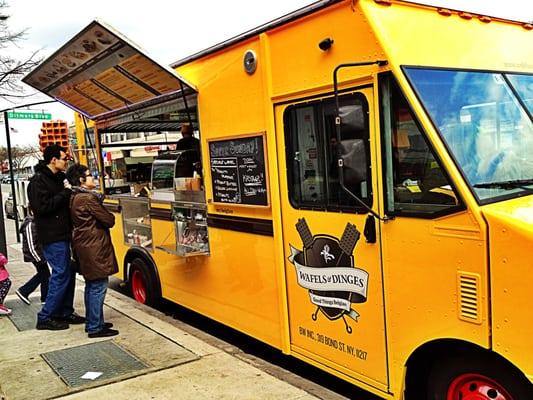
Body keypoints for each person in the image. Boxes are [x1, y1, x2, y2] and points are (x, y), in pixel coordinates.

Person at [28, 144, 85, 330]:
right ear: (53, 160)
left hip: (65, 233)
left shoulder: (60, 178)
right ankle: (45, 316)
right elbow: (42, 208)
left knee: (68, 273)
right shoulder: (38, 181)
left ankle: (65, 312)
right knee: (60, 274)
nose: (66, 161)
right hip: (52, 236)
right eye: (64, 158)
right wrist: (64, 194)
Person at [66, 164, 119, 338]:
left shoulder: (75, 196)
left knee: (92, 285)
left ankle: (94, 322)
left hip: (85, 245)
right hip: (94, 246)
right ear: (81, 180)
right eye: (90, 176)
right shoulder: (87, 199)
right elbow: (109, 219)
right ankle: (95, 327)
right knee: (98, 286)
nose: (93, 178)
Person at [15, 214, 50, 305]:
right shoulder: (30, 224)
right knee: (45, 274)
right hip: (35, 255)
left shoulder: (35, 222)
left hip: (38, 254)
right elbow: (31, 245)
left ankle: (43, 297)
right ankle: (24, 291)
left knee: (44, 274)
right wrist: (38, 258)